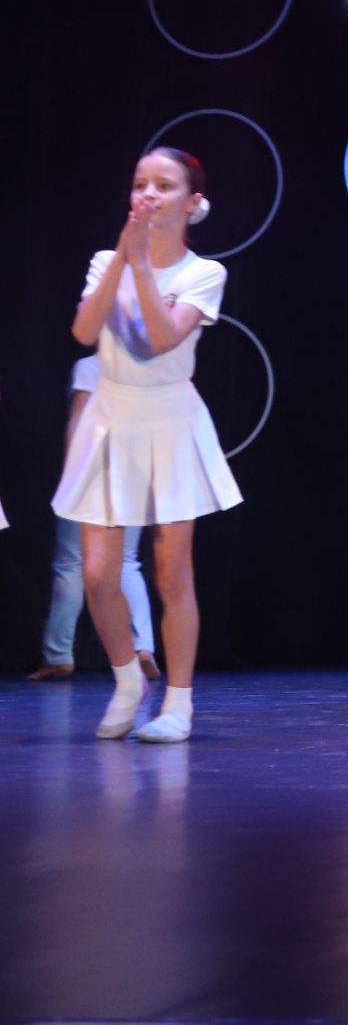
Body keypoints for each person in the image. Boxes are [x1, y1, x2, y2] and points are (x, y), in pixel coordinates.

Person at [58, 146, 238, 742]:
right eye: (141, 184)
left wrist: (140, 266)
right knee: (98, 575)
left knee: (171, 571)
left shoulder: (203, 274)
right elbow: (85, 330)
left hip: (169, 418)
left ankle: (178, 703)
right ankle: (127, 681)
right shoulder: (104, 260)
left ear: (192, 202)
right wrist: (123, 258)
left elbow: (158, 340)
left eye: (164, 185)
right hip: (110, 417)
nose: (149, 195)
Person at [31, 357, 157, 683]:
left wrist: (70, 476)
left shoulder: (91, 365)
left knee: (71, 564)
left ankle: (59, 654)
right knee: (127, 563)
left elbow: (79, 420)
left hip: (93, 474)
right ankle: (142, 647)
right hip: (136, 472)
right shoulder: (148, 364)